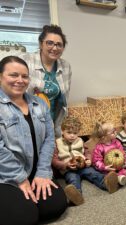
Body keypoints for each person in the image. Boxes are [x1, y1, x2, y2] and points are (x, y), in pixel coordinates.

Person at [0, 56, 67, 225]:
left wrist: (43, 172)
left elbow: (49, 139)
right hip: (6, 176)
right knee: (24, 217)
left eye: (24, 76)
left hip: (34, 171)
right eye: (13, 75)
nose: (20, 80)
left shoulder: (39, 103)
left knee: (56, 205)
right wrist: (20, 178)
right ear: (1, 76)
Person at [52, 117, 119, 206]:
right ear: (62, 131)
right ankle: (76, 195)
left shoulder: (80, 141)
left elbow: (87, 152)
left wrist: (88, 159)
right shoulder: (57, 143)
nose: (72, 136)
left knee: (93, 173)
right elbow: (54, 161)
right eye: (69, 133)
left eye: (75, 133)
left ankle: (107, 183)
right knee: (73, 179)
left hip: (83, 166)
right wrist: (65, 165)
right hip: (69, 169)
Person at [19, 24, 72, 138]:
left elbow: (64, 100)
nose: (54, 48)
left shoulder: (65, 66)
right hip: (27, 122)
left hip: (53, 122)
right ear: (40, 44)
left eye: (59, 45)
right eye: (49, 43)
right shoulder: (25, 60)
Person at [92, 121, 126, 186]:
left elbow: (122, 152)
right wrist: (104, 167)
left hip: (119, 165)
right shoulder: (99, 147)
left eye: (115, 130)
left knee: (123, 170)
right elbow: (96, 161)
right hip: (108, 169)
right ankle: (119, 178)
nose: (116, 132)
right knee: (110, 175)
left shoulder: (116, 142)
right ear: (104, 137)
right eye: (112, 132)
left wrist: (124, 161)